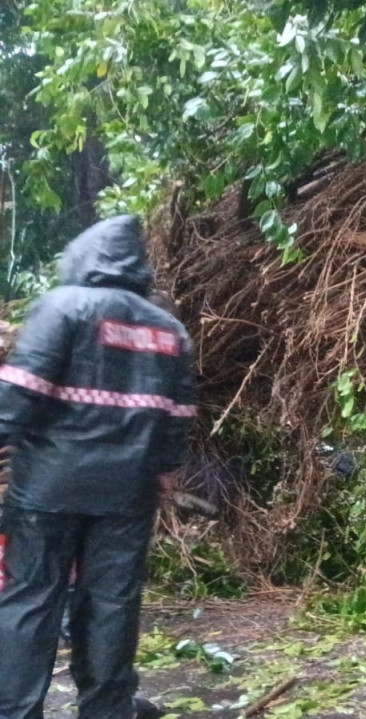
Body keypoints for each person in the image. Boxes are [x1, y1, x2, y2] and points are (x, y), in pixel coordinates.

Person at [0, 215, 196, 719]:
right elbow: (178, 418)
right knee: (112, 603)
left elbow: (18, 396)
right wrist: (163, 471)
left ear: (84, 257)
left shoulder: (63, 307)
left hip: (48, 487)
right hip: (127, 494)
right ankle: (107, 711)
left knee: (31, 599)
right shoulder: (168, 330)